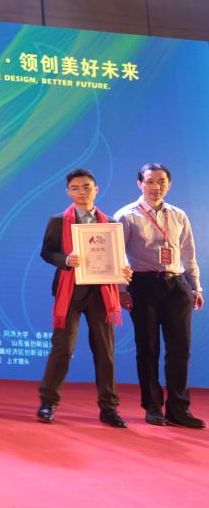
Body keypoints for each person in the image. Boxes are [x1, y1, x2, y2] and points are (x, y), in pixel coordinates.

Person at [36, 168, 131, 428]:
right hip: (69, 292)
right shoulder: (58, 221)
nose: (82, 192)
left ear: (96, 189)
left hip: (102, 293)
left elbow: (117, 257)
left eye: (87, 187)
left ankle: (109, 408)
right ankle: (48, 403)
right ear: (68, 192)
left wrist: (123, 270)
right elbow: (46, 252)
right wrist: (65, 260)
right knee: (63, 349)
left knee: (105, 351)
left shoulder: (109, 222)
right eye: (75, 188)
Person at [114, 163, 204, 429]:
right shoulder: (126, 215)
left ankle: (179, 408)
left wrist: (196, 286)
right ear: (139, 184)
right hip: (143, 286)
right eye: (150, 181)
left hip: (177, 285)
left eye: (162, 181)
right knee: (148, 348)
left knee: (180, 349)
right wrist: (121, 290)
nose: (156, 187)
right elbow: (117, 257)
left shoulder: (178, 215)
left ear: (169, 184)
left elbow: (188, 253)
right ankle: (153, 407)